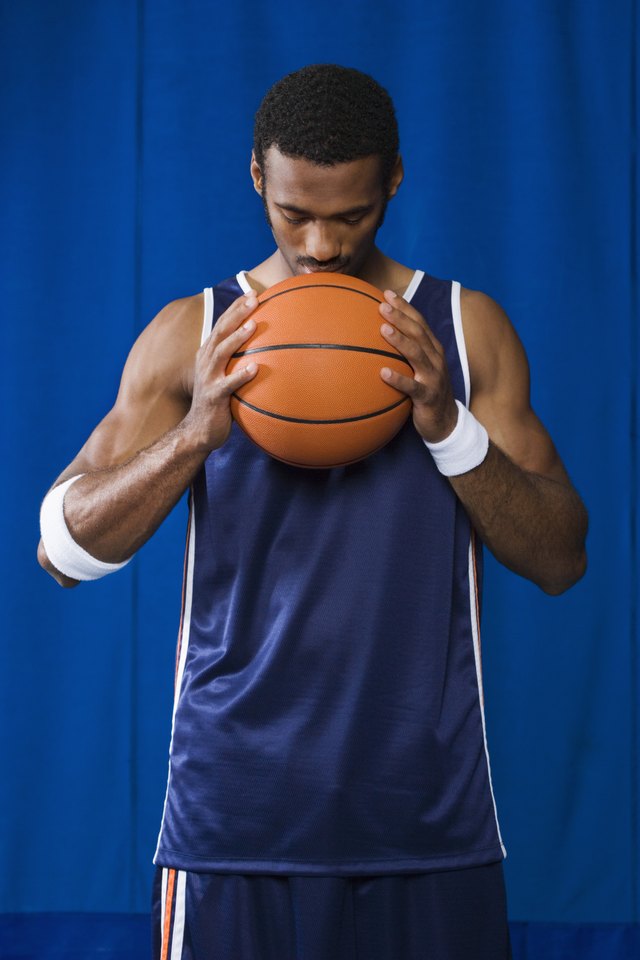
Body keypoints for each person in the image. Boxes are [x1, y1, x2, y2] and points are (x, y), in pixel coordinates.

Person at [38, 65, 587, 960]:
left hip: (426, 817)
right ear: (257, 177)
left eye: (353, 214)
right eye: (296, 214)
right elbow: (62, 549)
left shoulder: (464, 327)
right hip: (231, 824)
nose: (324, 243)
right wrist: (192, 438)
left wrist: (447, 428)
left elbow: (564, 558)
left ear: (395, 181)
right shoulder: (196, 331)